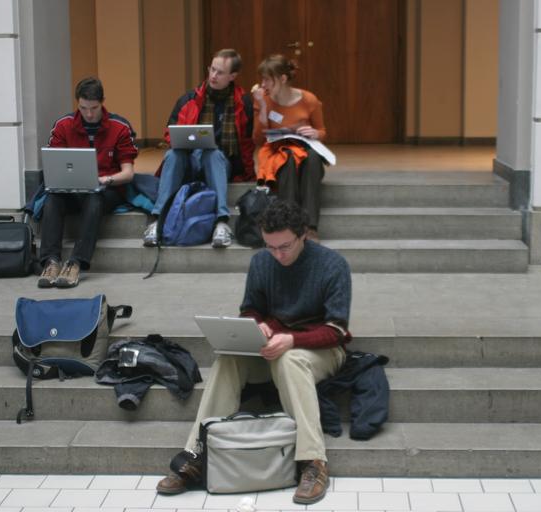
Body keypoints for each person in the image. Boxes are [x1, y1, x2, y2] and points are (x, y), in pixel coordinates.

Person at [156, 199, 352, 505]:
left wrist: (291, 339)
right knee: (228, 358)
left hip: (320, 349)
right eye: (270, 247)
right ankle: (197, 453)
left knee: (291, 359)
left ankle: (313, 462)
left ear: (303, 235)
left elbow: (336, 331)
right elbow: (250, 309)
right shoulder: (262, 262)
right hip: (273, 346)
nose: (278, 254)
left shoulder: (333, 265)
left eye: (285, 246)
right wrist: (256, 325)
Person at [143, 48, 255, 248]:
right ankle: (158, 220)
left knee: (213, 154)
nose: (213, 75)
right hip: (190, 158)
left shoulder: (243, 102)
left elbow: (248, 141)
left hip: (219, 163)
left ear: (232, 76)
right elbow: (170, 133)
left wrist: (249, 173)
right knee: (173, 154)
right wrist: (182, 142)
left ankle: (221, 222)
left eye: (220, 72)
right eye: (212, 69)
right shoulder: (189, 99)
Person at [38, 77, 137, 288]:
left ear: (103, 102)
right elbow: (54, 166)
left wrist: (107, 179)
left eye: (94, 108)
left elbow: (128, 174)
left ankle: (75, 263)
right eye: (83, 108)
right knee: (52, 198)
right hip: (72, 189)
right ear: (77, 103)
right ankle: (51, 261)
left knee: (94, 198)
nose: (89, 114)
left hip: (106, 189)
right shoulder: (63, 126)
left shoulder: (119, 127)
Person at [252, 54, 327, 242]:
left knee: (313, 158)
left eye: (267, 79)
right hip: (276, 151)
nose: (263, 84)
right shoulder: (263, 100)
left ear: (283, 79)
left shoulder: (308, 99)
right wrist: (262, 107)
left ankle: (310, 227)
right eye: (262, 79)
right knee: (287, 158)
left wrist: (315, 133)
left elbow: (322, 131)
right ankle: (290, 225)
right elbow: (258, 139)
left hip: (304, 147)